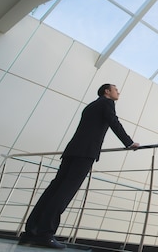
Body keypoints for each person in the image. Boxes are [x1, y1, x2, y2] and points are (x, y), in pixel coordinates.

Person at [18, 84, 140, 249]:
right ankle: (45, 234)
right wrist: (129, 143)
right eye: (115, 89)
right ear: (107, 92)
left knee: (53, 189)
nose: (118, 92)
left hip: (72, 151)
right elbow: (114, 122)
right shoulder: (107, 103)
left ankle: (29, 234)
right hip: (85, 153)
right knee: (65, 192)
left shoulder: (91, 106)